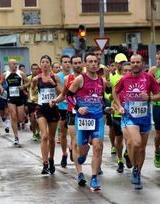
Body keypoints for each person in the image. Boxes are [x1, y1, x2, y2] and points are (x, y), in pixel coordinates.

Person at [113, 54, 160, 189]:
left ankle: (137, 172)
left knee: (141, 148)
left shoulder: (148, 78)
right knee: (136, 142)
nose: (135, 64)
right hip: (129, 117)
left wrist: (150, 98)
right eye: (133, 62)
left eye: (137, 62)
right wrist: (120, 106)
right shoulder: (125, 79)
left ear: (143, 63)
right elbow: (115, 92)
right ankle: (135, 168)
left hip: (145, 117)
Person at [62, 53, 109, 191]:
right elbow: (68, 96)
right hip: (83, 119)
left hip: (98, 118)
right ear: (85, 64)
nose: (94, 64)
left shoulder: (101, 81)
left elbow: (101, 98)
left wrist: (106, 107)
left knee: (98, 146)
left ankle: (93, 178)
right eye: (90, 61)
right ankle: (83, 152)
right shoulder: (80, 79)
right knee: (81, 149)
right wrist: (78, 107)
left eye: (95, 61)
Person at [52, 54, 87, 186]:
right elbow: (64, 94)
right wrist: (55, 101)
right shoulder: (68, 78)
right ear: (72, 65)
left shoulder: (88, 77)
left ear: (82, 64)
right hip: (73, 112)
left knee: (88, 142)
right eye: (75, 63)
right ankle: (80, 174)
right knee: (76, 141)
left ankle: (81, 152)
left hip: (89, 114)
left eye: (79, 63)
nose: (77, 65)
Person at [30, 55, 61, 175]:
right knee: (44, 136)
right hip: (41, 108)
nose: (44, 64)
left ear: (50, 64)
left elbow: (61, 92)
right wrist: (32, 96)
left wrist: (53, 83)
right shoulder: (36, 78)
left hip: (52, 108)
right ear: (40, 64)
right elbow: (31, 89)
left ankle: (51, 159)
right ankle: (45, 163)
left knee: (52, 138)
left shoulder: (55, 77)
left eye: (47, 62)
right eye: (42, 62)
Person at [0, 59, 29, 146]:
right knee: (13, 117)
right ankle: (16, 137)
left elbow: (29, 81)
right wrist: (1, 88)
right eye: (13, 64)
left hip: (20, 98)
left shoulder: (21, 73)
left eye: (16, 64)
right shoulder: (5, 74)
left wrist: (23, 86)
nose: (15, 65)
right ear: (9, 65)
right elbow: (0, 83)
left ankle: (22, 121)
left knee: (20, 119)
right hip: (10, 98)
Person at [110, 61, 133, 173]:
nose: (128, 73)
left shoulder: (135, 82)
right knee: (119, 140)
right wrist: (117, 107)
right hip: (118, 115)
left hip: (132, 116)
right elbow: (112, 98)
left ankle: (127, 153)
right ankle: (120, 161)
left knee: (130, 139)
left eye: (130, 70)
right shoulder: (118, 81)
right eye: (125, 71)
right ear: (121, 71)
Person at [57, 55, 70, 167]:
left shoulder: (75, 76)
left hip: (72, 108)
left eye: (68, 62)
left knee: (73, 132)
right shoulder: (57, 76)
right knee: (63, 134)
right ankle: (64, 154)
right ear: (61, 64)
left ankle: (72, 148)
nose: (67, 64)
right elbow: (59, 91)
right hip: (61, 107)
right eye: (65, 62)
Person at [25, 63, 41, 141]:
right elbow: (24, 90)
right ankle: (34, 133)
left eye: (36, 69)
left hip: (40, 101)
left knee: (39, 119)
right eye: (33, 69)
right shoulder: (27, 78)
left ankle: (38, 132)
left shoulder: (41, 78)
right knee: (32, 119)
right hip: (30, 101)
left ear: (38, 70)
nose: (35, 70)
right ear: (31, 70)